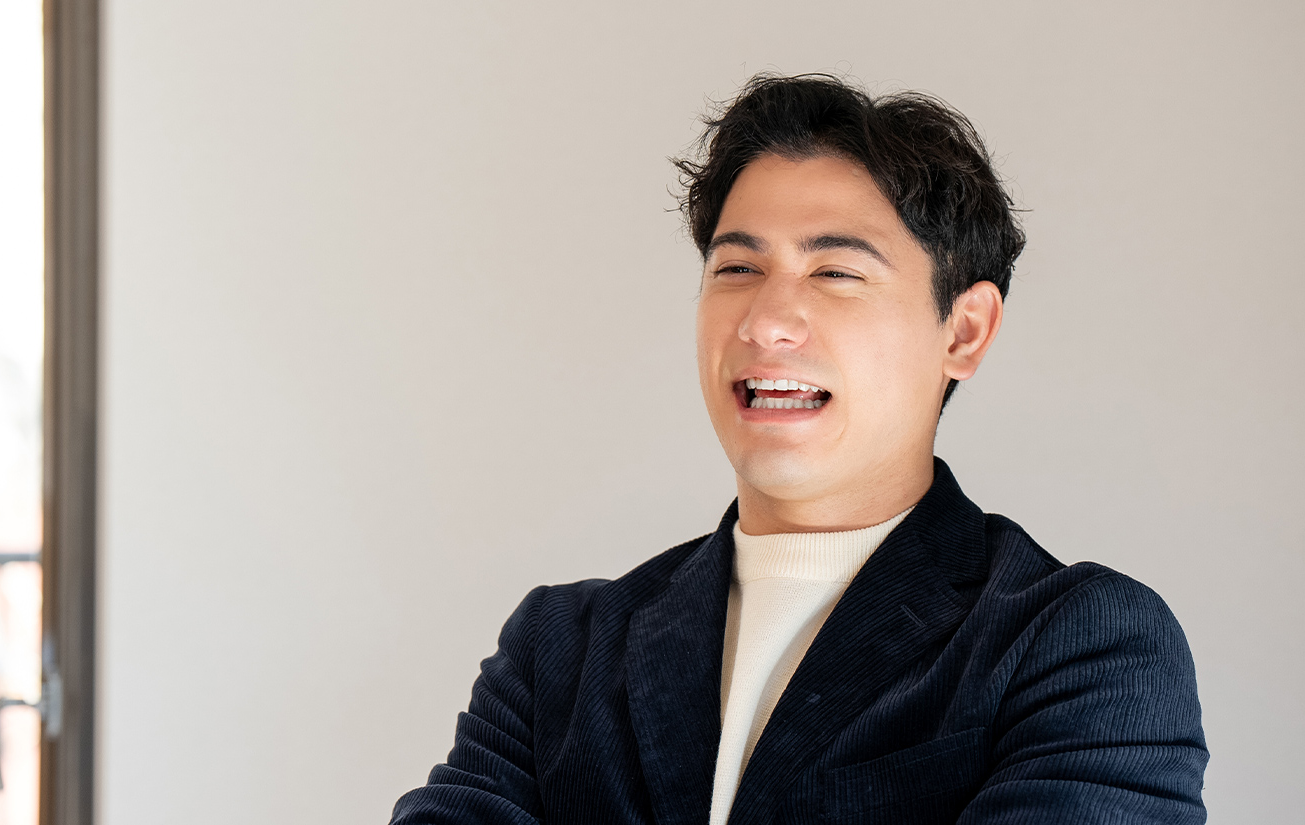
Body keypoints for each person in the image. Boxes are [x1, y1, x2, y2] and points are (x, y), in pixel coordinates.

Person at [390, 73, 1207, 825]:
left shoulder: (1079, 644)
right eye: (737, 268)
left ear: (964, 330)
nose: (766, 321)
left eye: (834, 273)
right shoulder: (560, 650)